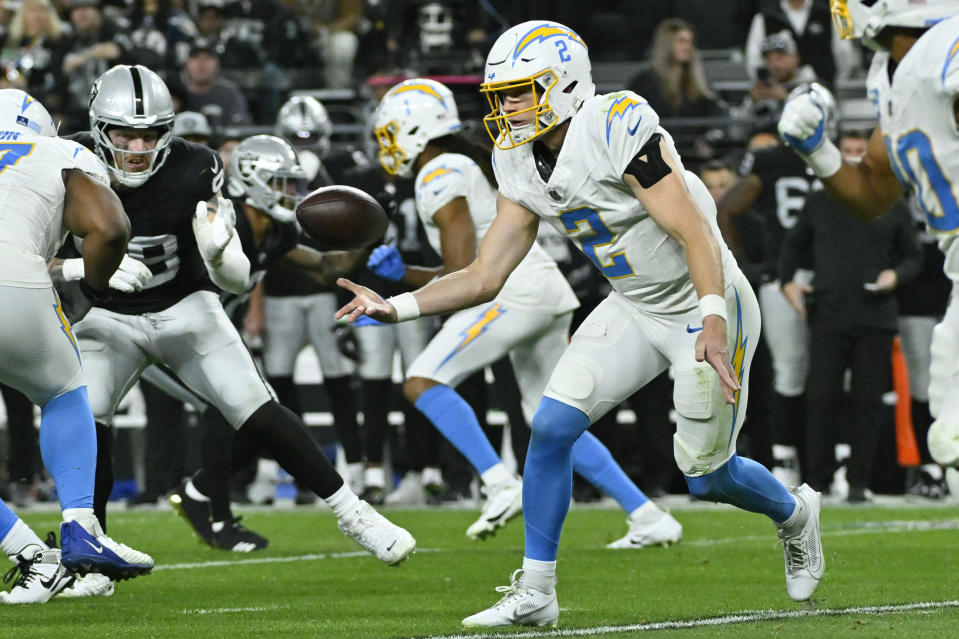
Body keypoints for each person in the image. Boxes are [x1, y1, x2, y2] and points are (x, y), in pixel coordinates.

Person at [336, 21, 825, 627]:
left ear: (564, 84)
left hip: (701, 303)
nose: (507, 108)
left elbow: (694, 230)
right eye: (501, 96)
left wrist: (714, 318)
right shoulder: (516, 156)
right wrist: (396, 305)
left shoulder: (616, 122)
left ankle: (795, 515)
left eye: (519, 92)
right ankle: (537, 592)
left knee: (706, 477)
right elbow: (486, 274)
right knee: (549, 428)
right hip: (632, 304)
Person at [60, 66, 415, 576]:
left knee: (254, 404)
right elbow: (26, 251)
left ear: (169, 131)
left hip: (185, 305)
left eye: (151, 133)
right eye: (125, 133)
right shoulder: (66, 161)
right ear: (98, 128)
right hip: (106, 314)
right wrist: (77, 268)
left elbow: (234, 281)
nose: (138, 147)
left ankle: (355, 513)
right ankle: (89, 558)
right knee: (85, 419)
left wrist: (220, 252)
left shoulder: (195, 167)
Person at [367, 77, 682, 545]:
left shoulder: (438, 172)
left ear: (415, 128)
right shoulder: (458, 163)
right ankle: (647, 514)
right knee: (550, 419)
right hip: (541, 290)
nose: (387, 144)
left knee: (423, 380)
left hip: (515, 293)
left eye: (391, 131)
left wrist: (401, 281)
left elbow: (460, 270)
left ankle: (498, 483)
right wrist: (410, 271)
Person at [779, 0, 959, 493]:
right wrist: (819, 150)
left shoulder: (947, 46)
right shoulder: (895, 72)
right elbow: (875, 191)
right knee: (948, 436)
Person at [169, 134, 370, 551]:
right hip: (162, 325)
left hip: (204, 334)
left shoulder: (274, 231)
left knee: (260, 418)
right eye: (281, 182)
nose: (291, 193)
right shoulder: (226, 219)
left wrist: (363, 236)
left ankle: (200, 493)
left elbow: (323, 267)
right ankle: (218, 517)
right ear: (250, 181)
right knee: (222, 406)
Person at [0, 88, 154, 603]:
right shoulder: (61, 152)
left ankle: (29, 556)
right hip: (14, 284)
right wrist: (89, 287)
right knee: (65, 390)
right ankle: (80, 527)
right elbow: (110, 228)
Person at [779, 129, 921, 502]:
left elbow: (913, 256)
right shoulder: (819, 201)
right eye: (849, 151)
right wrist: (787, 284)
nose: (856, 157)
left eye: (861, 150)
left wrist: (896, 275)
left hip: (875, 316)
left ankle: (860, 483)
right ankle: (817, 482)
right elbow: (792, 248)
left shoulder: (893, 201)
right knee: (821, 398)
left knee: (867, 402)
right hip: (828, 313)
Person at [717, 87, 832, 487]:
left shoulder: (827, 160)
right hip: (787, 274)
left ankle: (820, 461)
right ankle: (785, 456)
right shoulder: (781, 161)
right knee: (791, 371)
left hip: (829, 276)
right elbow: (726, 208)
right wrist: (746, 267)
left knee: (825, 374)